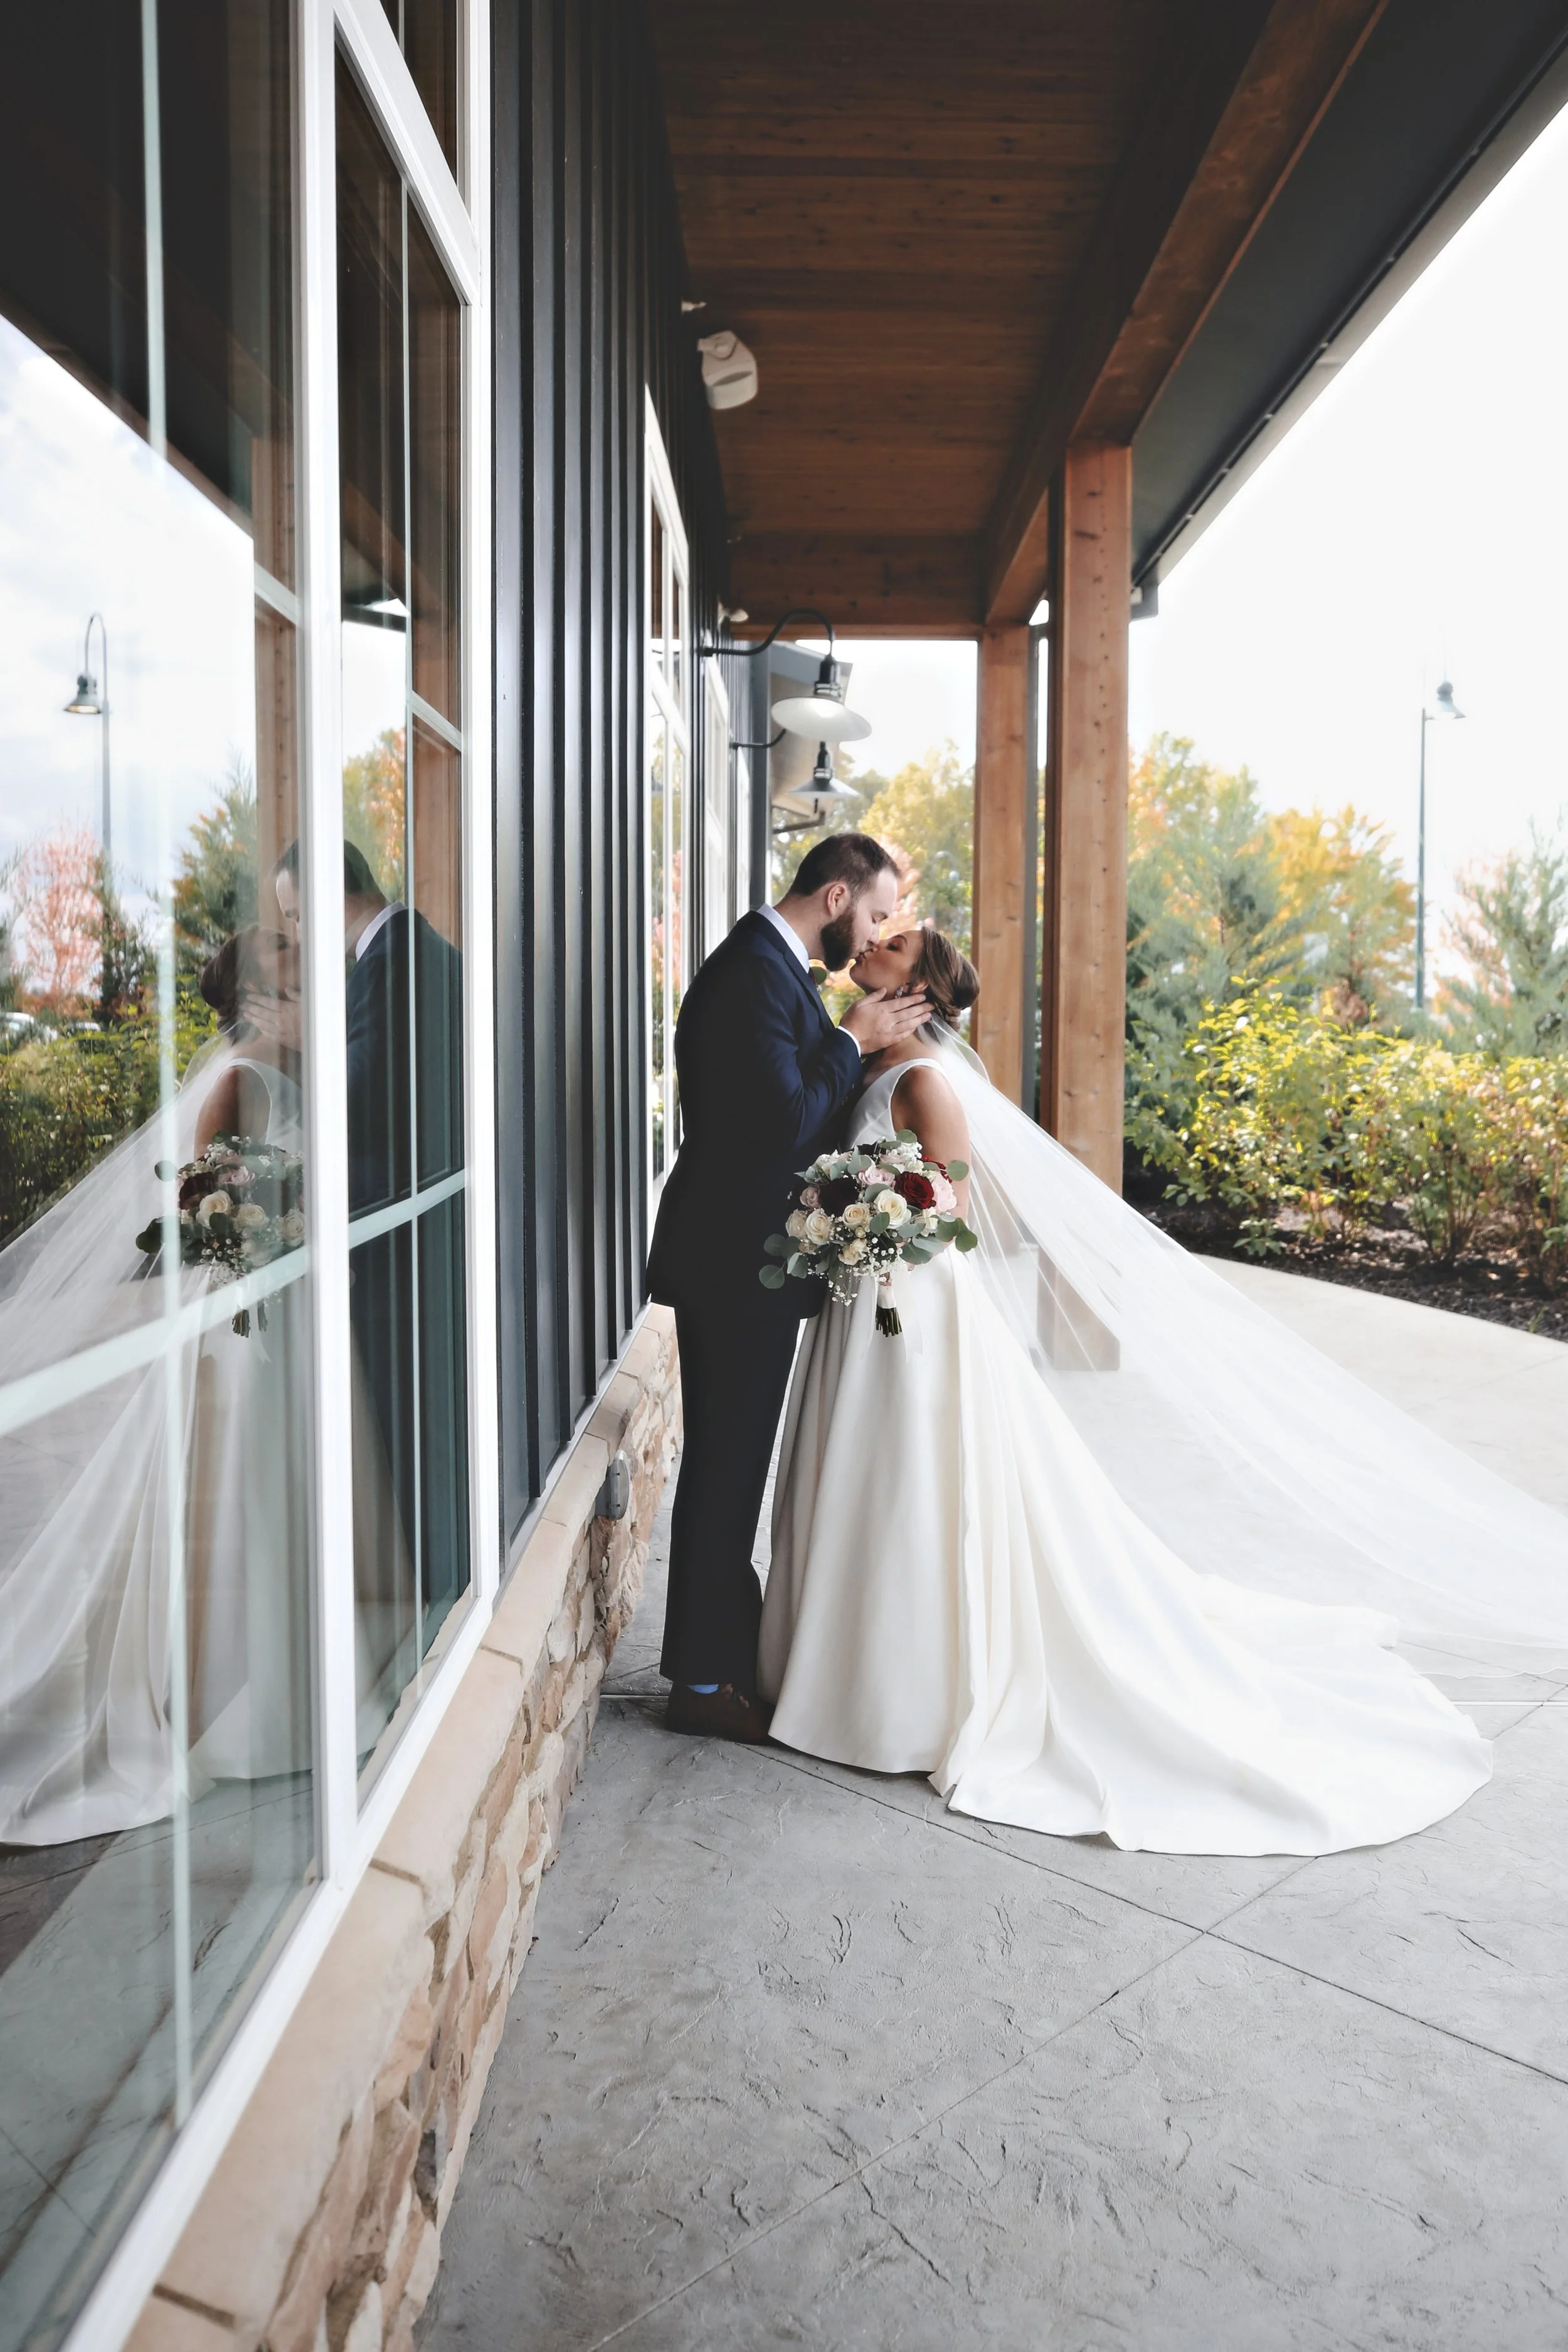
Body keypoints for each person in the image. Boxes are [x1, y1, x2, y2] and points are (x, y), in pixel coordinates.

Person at [757, 926, 1568, 1857]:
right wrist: (842, 1209)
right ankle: (841, 1668)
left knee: (910, 1487)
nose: (872, 942)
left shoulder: (927, 1082)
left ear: (924, 990)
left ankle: (897, 1693)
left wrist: (873, 1215)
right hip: (864, 1304)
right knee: (866, 1479)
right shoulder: (860, 1061)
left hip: (913, 1308)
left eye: (894, 942)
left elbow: (957, 1202)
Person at [0, 927, 314, 1842]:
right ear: (257, 995)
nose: (301, 950)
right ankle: (218, 1709)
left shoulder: (286, 1070)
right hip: (238, 1321)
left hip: (275, 1309)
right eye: (286, 951)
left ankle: (269, 1695)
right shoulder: (234, 1081)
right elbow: (197, 1209)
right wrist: (269, 1230)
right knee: (238, 1507)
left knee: (268, 1504)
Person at [647, 834, 933, 1742]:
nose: (879, 929)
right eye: (879, 912)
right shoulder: (751, 974)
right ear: (838, 894)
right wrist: (852, 1041)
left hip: (747, 1260)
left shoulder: (776, 969)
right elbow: (780, 1121)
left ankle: (722, 1656)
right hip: (736, 1264)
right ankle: (699, 1686)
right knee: (726, 1469)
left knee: (732, 1468)